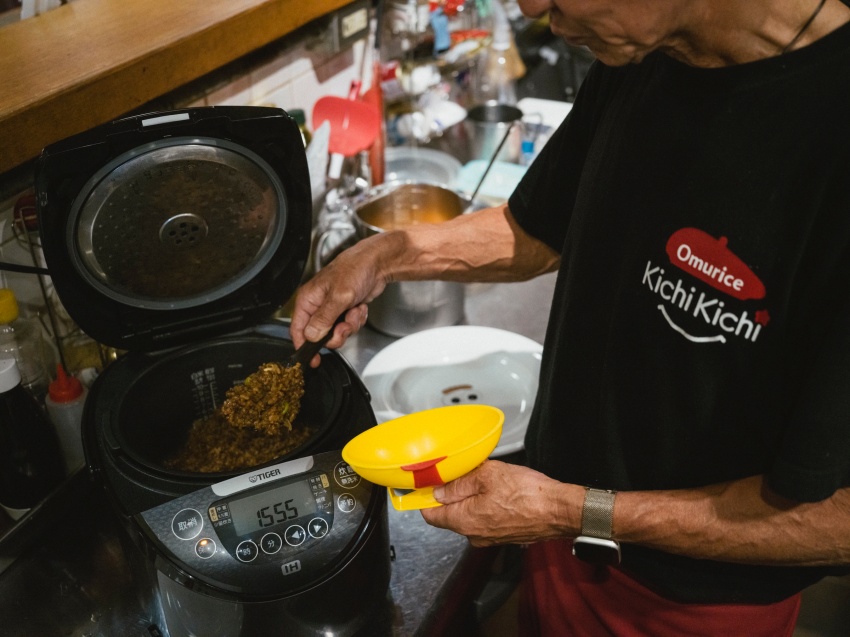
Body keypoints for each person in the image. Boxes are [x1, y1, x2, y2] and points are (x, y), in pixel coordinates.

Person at [290, 0, 850, 634]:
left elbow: (838, 519)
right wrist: (387, 254)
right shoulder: (645, 49)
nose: (532, 9)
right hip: (559, 535)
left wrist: (576, 511)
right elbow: (539, 226)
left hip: (688, 605)